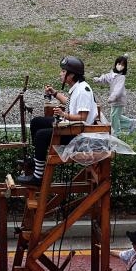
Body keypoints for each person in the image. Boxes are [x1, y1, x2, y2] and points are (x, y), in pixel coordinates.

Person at [17, 56, 97, 186]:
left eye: (63, 71)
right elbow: (70, 103)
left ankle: (38, 176)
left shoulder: (83, 91)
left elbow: (83, 117)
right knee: (37, 122)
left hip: (78, 135)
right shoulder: (78, 87)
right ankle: (37, 160)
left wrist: (63, 114)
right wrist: (55, 94)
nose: (60, 74)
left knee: (41, 135)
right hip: (73, 127)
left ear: (71, 75)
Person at [94, 54, 136, 136]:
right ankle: (130, 123)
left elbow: (118, 90)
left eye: (122, 65)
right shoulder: (113, 74)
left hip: (118, 100)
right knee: (116, 116)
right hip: (115, 100)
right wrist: (99, 79)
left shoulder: (121, 77)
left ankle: (117, 133)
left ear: (125, 67)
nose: (120, 66)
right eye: (119, 64)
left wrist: (112, 97)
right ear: (116, 64)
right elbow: (106, 77)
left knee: (114, 117)